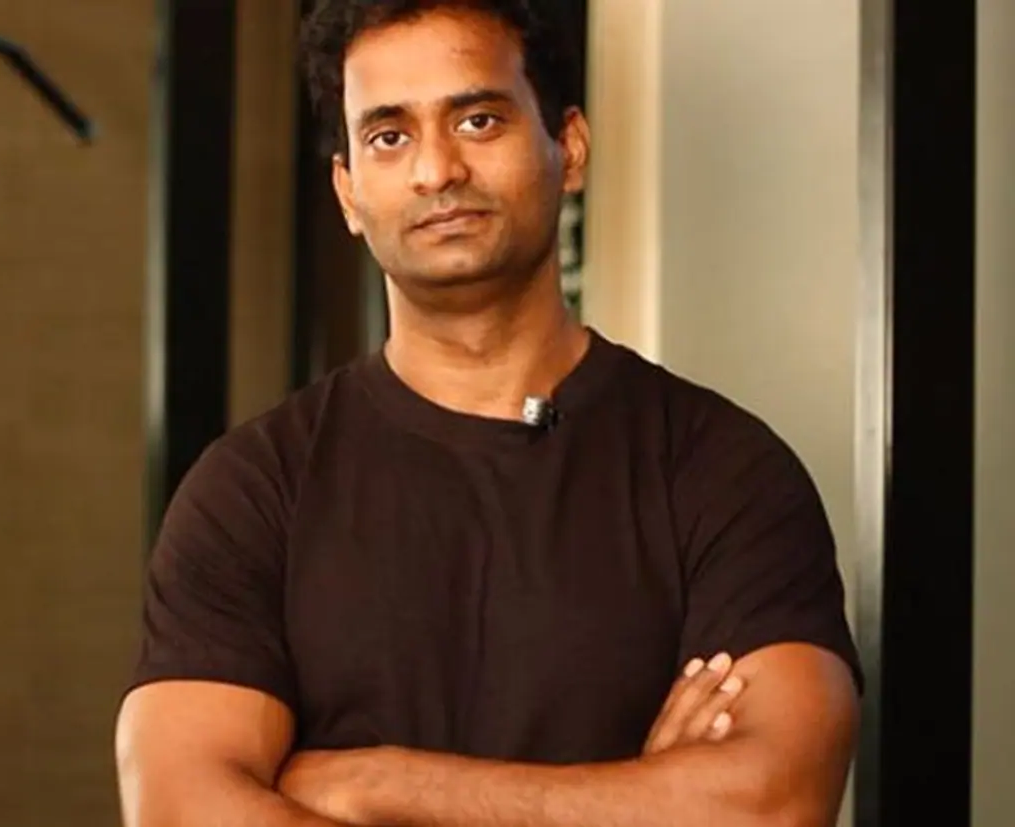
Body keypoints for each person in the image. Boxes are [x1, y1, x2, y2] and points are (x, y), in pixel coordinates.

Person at [116, 1, 862, 825]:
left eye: (477, 120)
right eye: (388, 136)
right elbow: (182, 808)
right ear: (348, 193)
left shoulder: (721, 470)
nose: (436, 170)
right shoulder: (253, 492)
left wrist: (378, 786)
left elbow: (769, 806)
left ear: (569, 147)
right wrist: (641, 799)